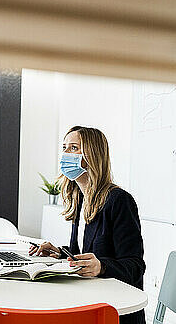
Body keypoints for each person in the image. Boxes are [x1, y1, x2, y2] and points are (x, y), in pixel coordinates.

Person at [29, 126, 146, 324]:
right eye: (64, 147)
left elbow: (135, 266)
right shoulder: (81, 199)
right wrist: (60, 253)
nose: (65, 154)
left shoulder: (119, 200)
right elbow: (84, 251)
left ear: (92, 155)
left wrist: (101, 267)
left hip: (115, 310)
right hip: (89, 298)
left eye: (73, 148)